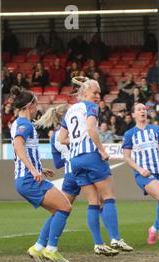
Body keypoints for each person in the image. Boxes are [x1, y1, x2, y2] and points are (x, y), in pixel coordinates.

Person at [59, 76, 133, 253]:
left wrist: (78, 140)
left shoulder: (69, 111)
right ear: (84, 93)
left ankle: (99, 244)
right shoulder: (90, 106)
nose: (98, 96)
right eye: (95, 92)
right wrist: (101, 149)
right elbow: (92, 129)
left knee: (93, 201)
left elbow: (62, 139)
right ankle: (115, 239)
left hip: (75, 160)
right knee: (108, 197)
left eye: (99, 92)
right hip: (91, 156)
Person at [35, 104, 119, 256]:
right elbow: (91, 134)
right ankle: (111, 239)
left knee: (60, 210)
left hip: (70, 173)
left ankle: (40, 244)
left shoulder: (55, 137)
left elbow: (58, 163)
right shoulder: (81, 128)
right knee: (101, 201)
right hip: (86, 164)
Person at [10, 86, 72, 262]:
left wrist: (39, 168)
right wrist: (33, 170)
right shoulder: (25, 124)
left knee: (58, 211)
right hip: (29, 180)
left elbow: (23, 150)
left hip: (26, 178)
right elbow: (18, 146)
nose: (38, 106)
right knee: (65, 207)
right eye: (36, 103)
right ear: (30, 106)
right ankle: (51, 249)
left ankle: (37, 248)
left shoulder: (19, 123)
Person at [123, 103, 159, 245]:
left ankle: (154, 228)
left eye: (144, 109)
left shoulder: (156, 129)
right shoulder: (129, 134)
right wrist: (139, 169)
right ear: (133, 115)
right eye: (139, 109)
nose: (142, 111)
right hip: (144, 174)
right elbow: (127, 157)